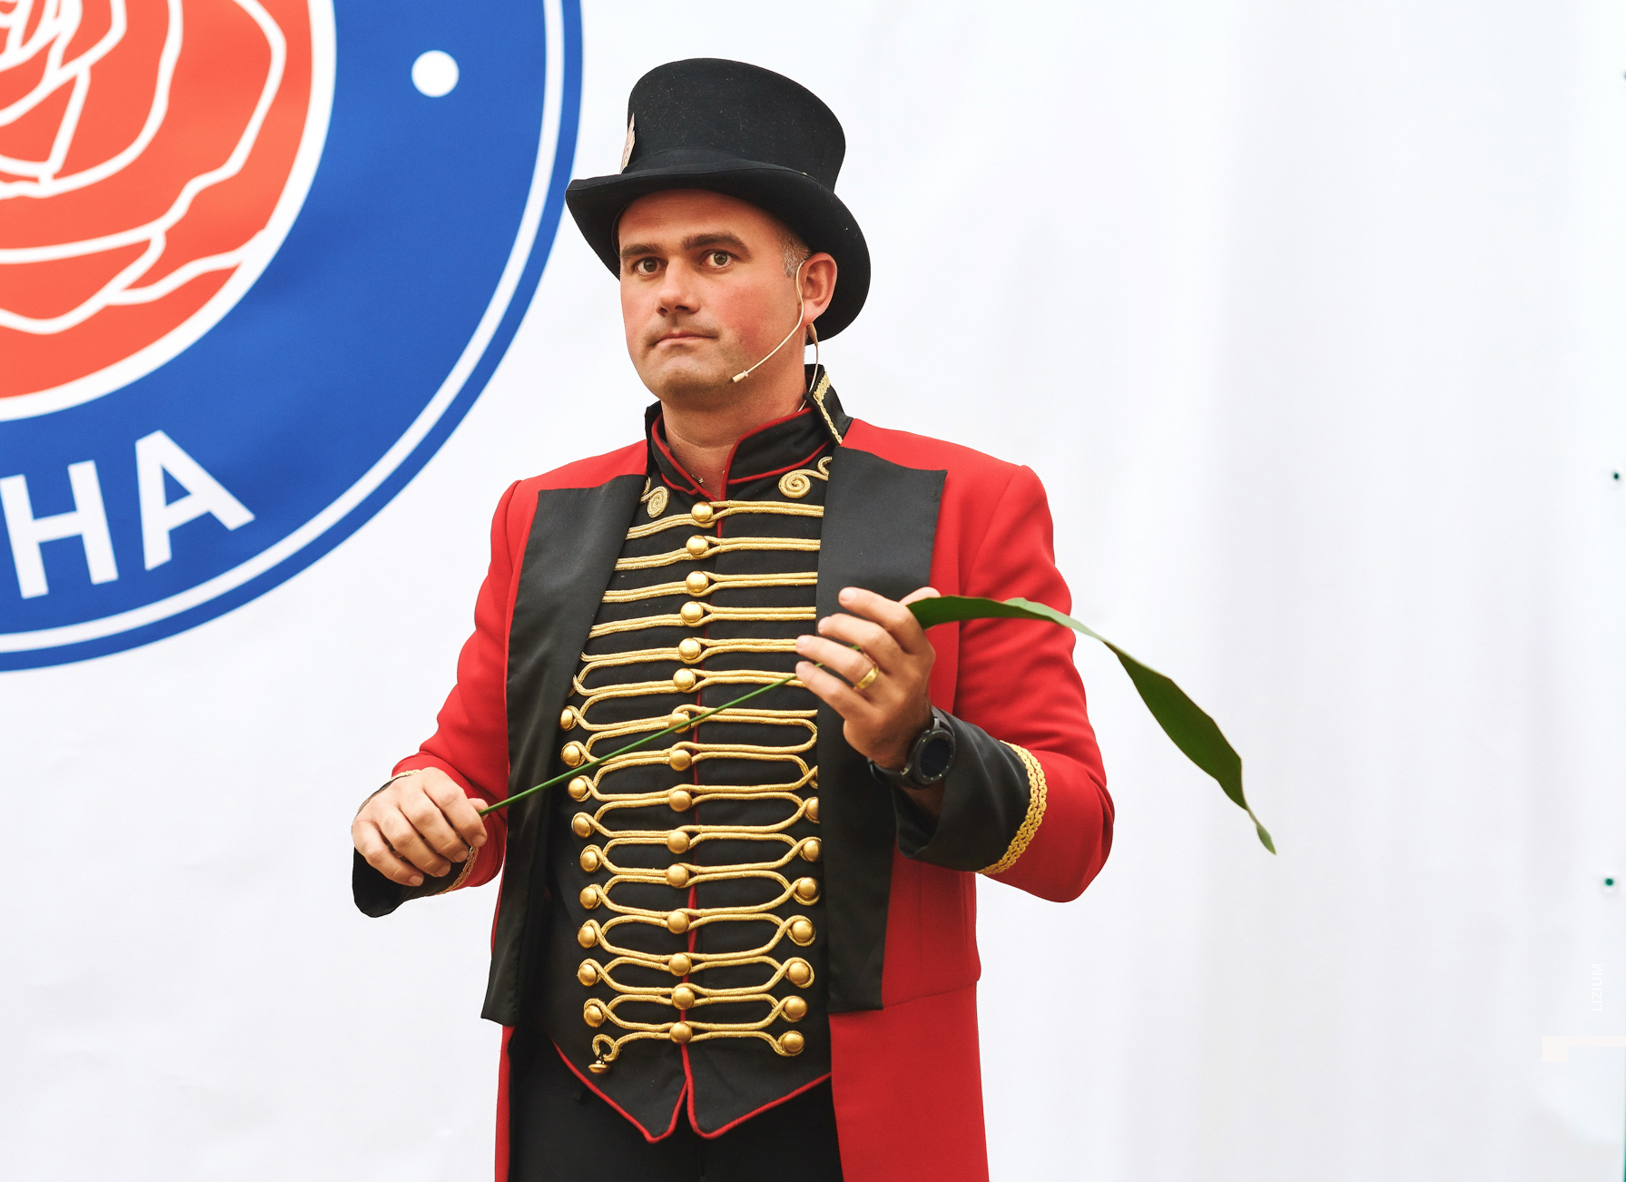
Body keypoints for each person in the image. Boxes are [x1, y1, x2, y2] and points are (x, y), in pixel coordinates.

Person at [351, 58, 1114, 1181]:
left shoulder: (968, 502)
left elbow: (1074, 838)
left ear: (812, 287)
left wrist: (918, 743)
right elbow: (469, 782)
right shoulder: (539, 517)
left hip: (838, 1125)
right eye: (643, 263)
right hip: (584, 1118)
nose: (669, 292)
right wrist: (407, 810)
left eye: (714, 257)